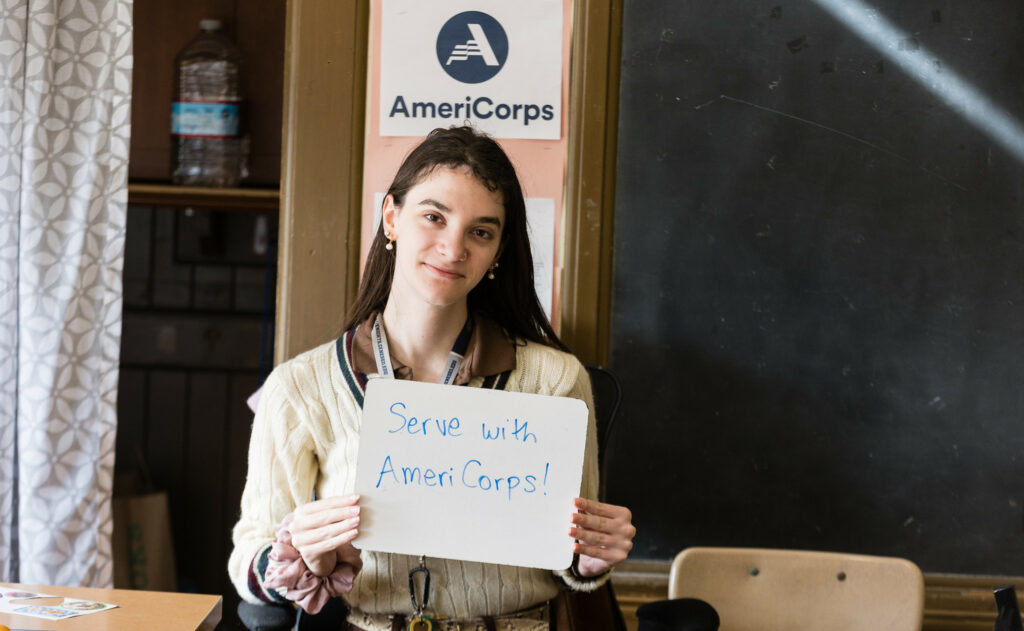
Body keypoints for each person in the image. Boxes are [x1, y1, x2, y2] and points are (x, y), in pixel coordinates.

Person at [229, 126, 636, 630]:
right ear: (392, 217)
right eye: (433, 217)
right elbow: (250, 552)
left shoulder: (556, 381)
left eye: (480, 232)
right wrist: (293, 555)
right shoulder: (300, 386)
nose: (453, 247)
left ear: (498, 252)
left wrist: (589, 561)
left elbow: (570, 558)